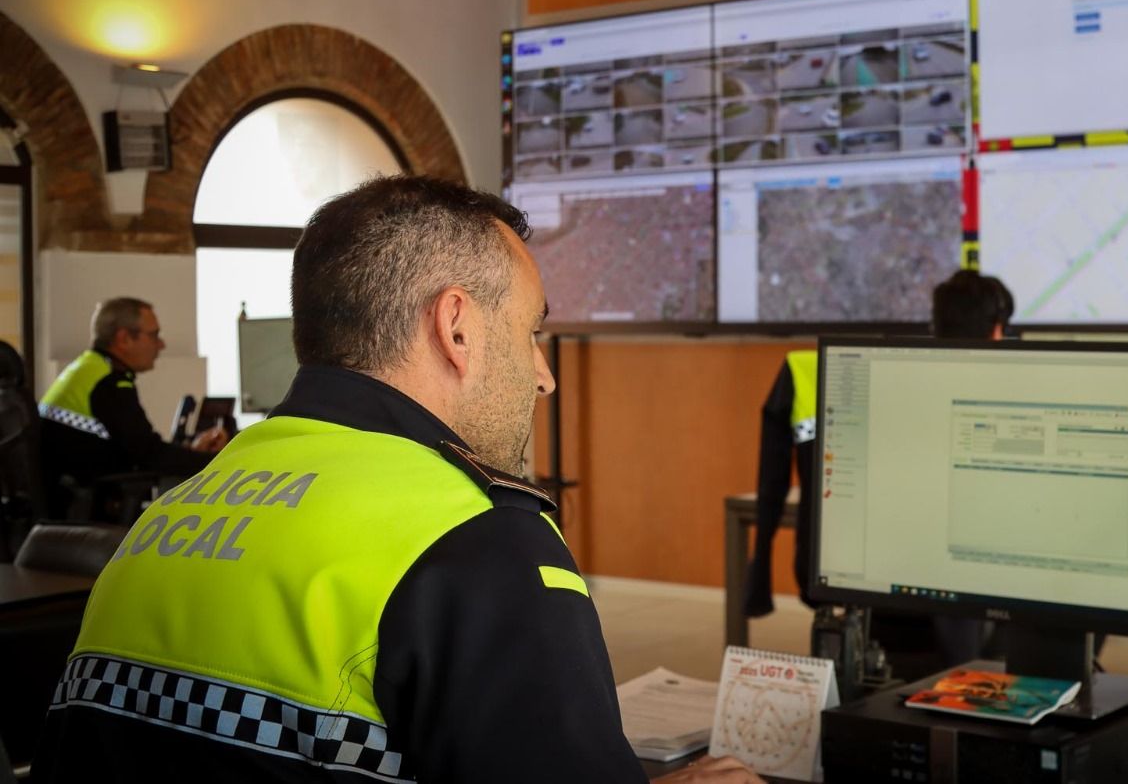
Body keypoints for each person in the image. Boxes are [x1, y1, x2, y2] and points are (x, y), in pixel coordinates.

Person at [34, 177, 757, 783]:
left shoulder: (167, 519)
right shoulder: (480, 540)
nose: (544, 376)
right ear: (457, 327)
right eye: (531, 332)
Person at [744, 268, 1014, 674]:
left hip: (849, 583)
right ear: (997, 332)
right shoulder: (999, 390)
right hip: (949, 601)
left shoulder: (838, 370)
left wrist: (758, 585)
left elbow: (770, 482)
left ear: (934, 323)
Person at [37, 297, 227, 518]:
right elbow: (149, 455)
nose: (161, 345)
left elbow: (135, 447)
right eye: (154, 335)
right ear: (124, 338)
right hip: (83, 503)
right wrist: (220, 461)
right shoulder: (109, 383)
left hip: (65, 497)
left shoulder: (87, 369)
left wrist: (189, 449)